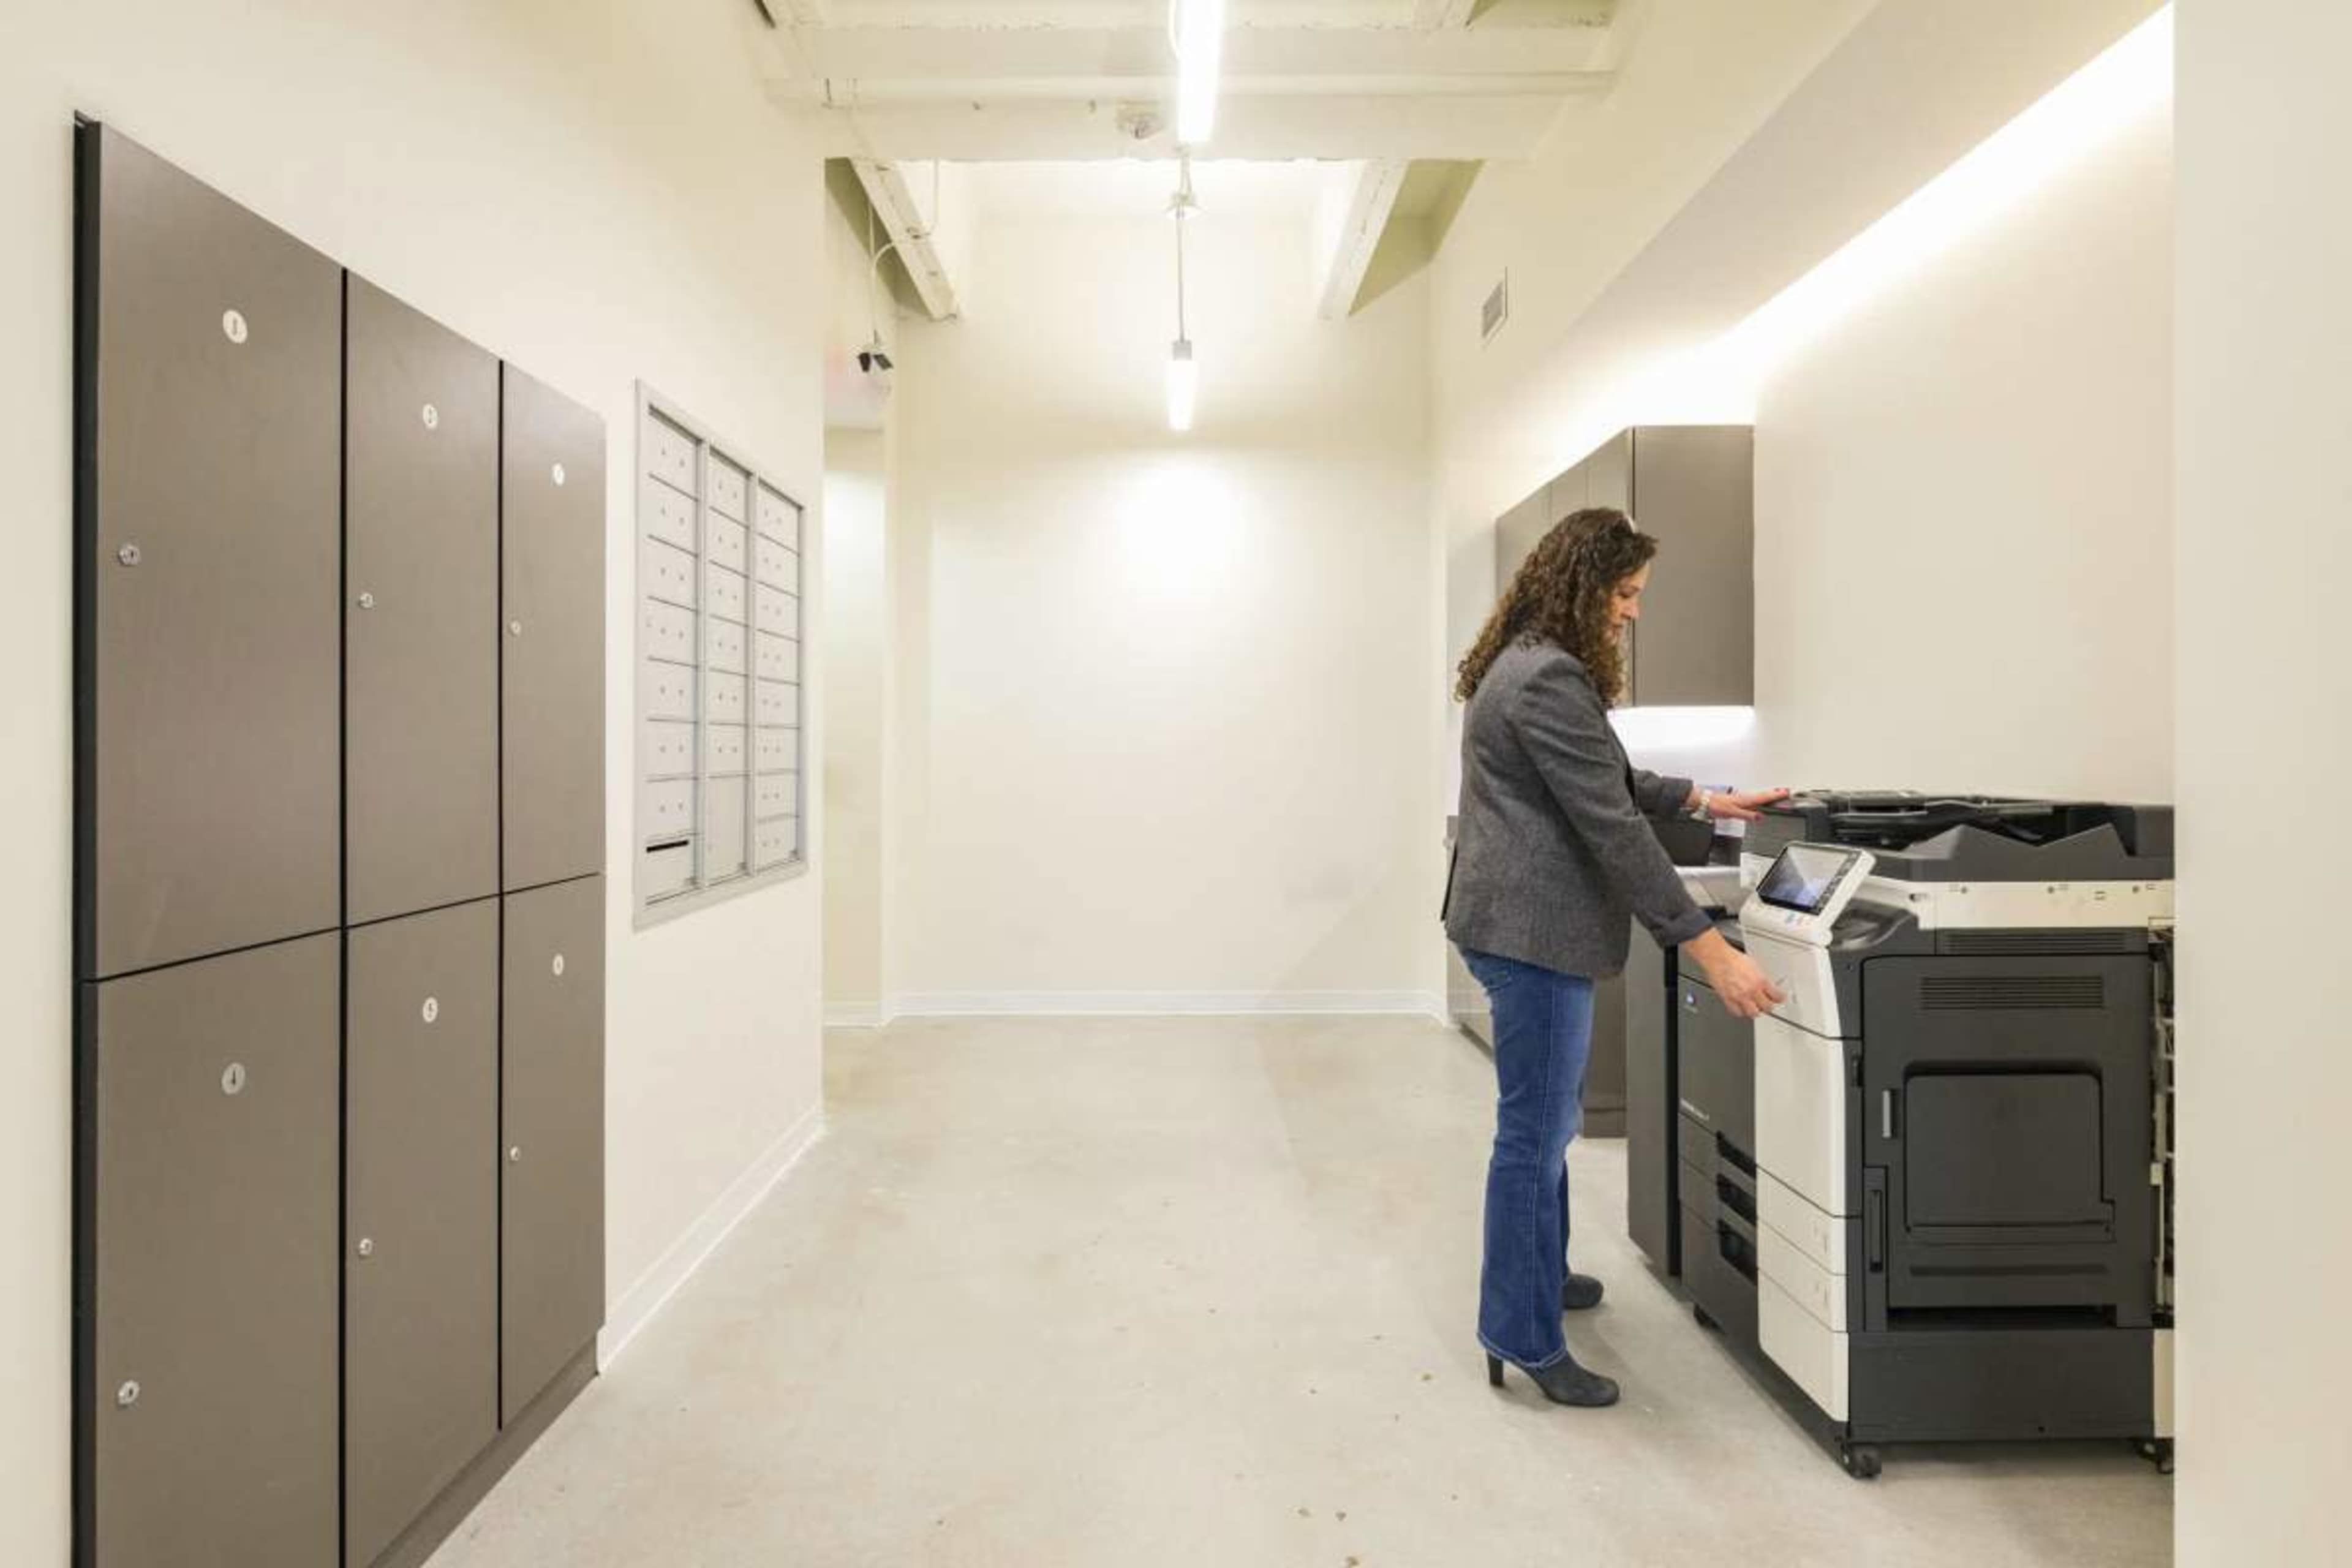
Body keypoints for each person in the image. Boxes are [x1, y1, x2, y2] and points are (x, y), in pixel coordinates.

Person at [1443, 507, 1785, 1409]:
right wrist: (1708, 949)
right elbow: (1612, 825)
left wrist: (1708, 797)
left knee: (1543, 1126)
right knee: (1535, 1134)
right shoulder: (1550, 676)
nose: (1632, 612)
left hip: (1508, 923)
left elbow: (1604, 774)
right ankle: (1520, 1333)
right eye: (1625, 594)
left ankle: (1541, 1277)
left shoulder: (1520, 660)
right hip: (1533, 934)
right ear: (1584, 588)